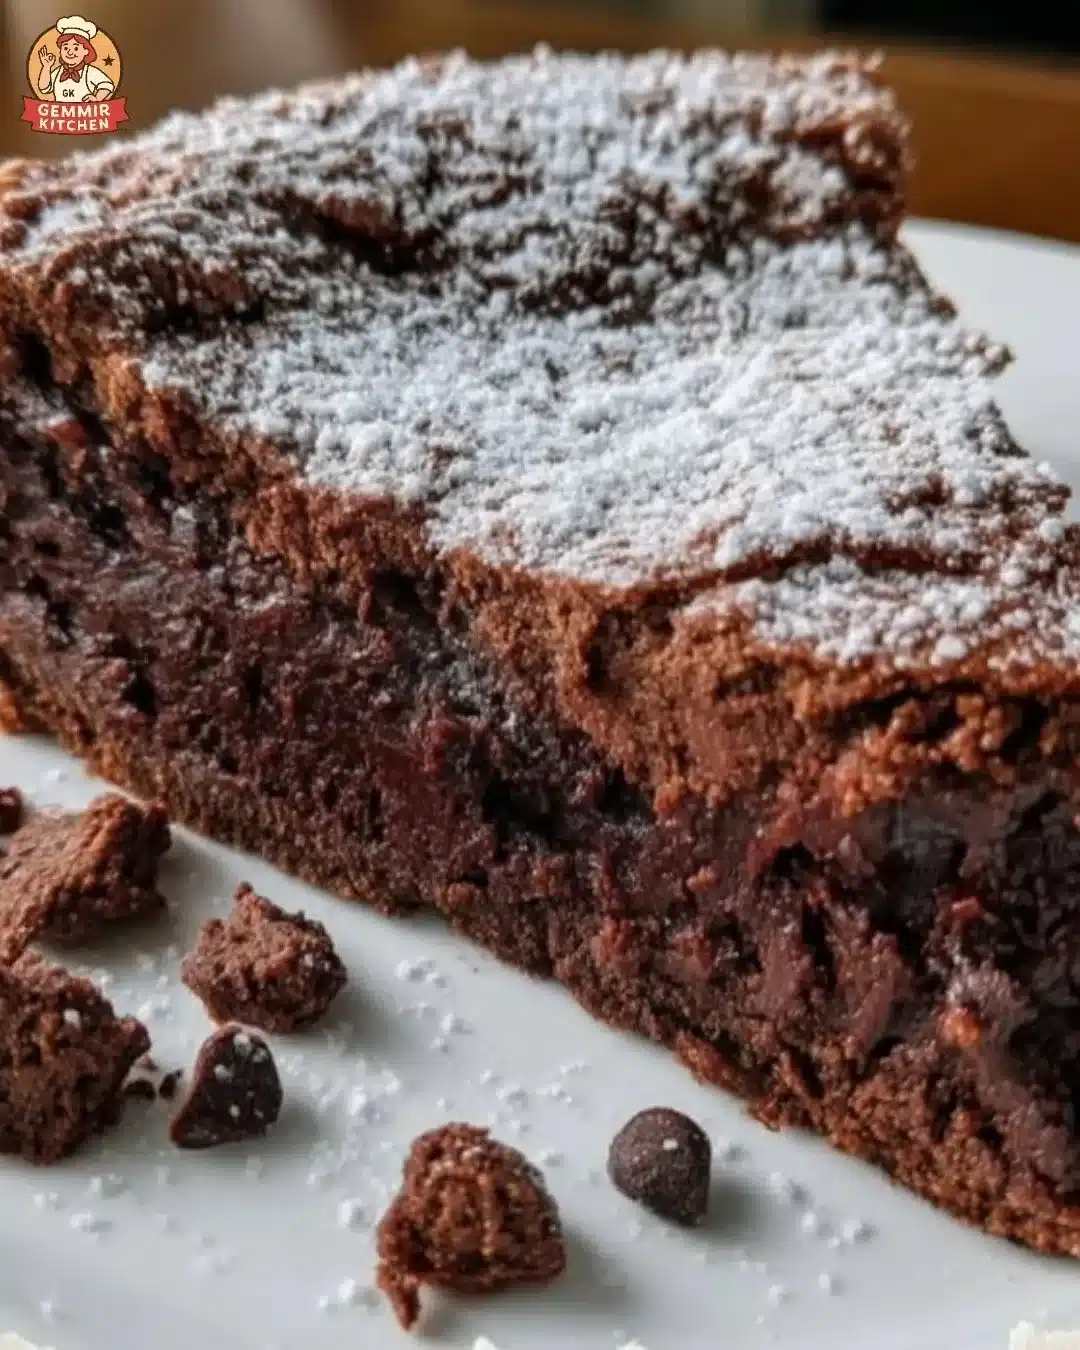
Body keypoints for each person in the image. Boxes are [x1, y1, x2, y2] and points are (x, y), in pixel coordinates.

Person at [37, 14, 115, 103]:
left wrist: (97, 98)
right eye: (65, 48)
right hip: (60, 114)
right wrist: (46, 67)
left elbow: (107, 85)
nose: (70, 52)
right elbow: (44, 88)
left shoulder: (89, 71)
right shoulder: (59, 71)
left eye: (76, 48)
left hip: (86, 115)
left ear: (86, 51)